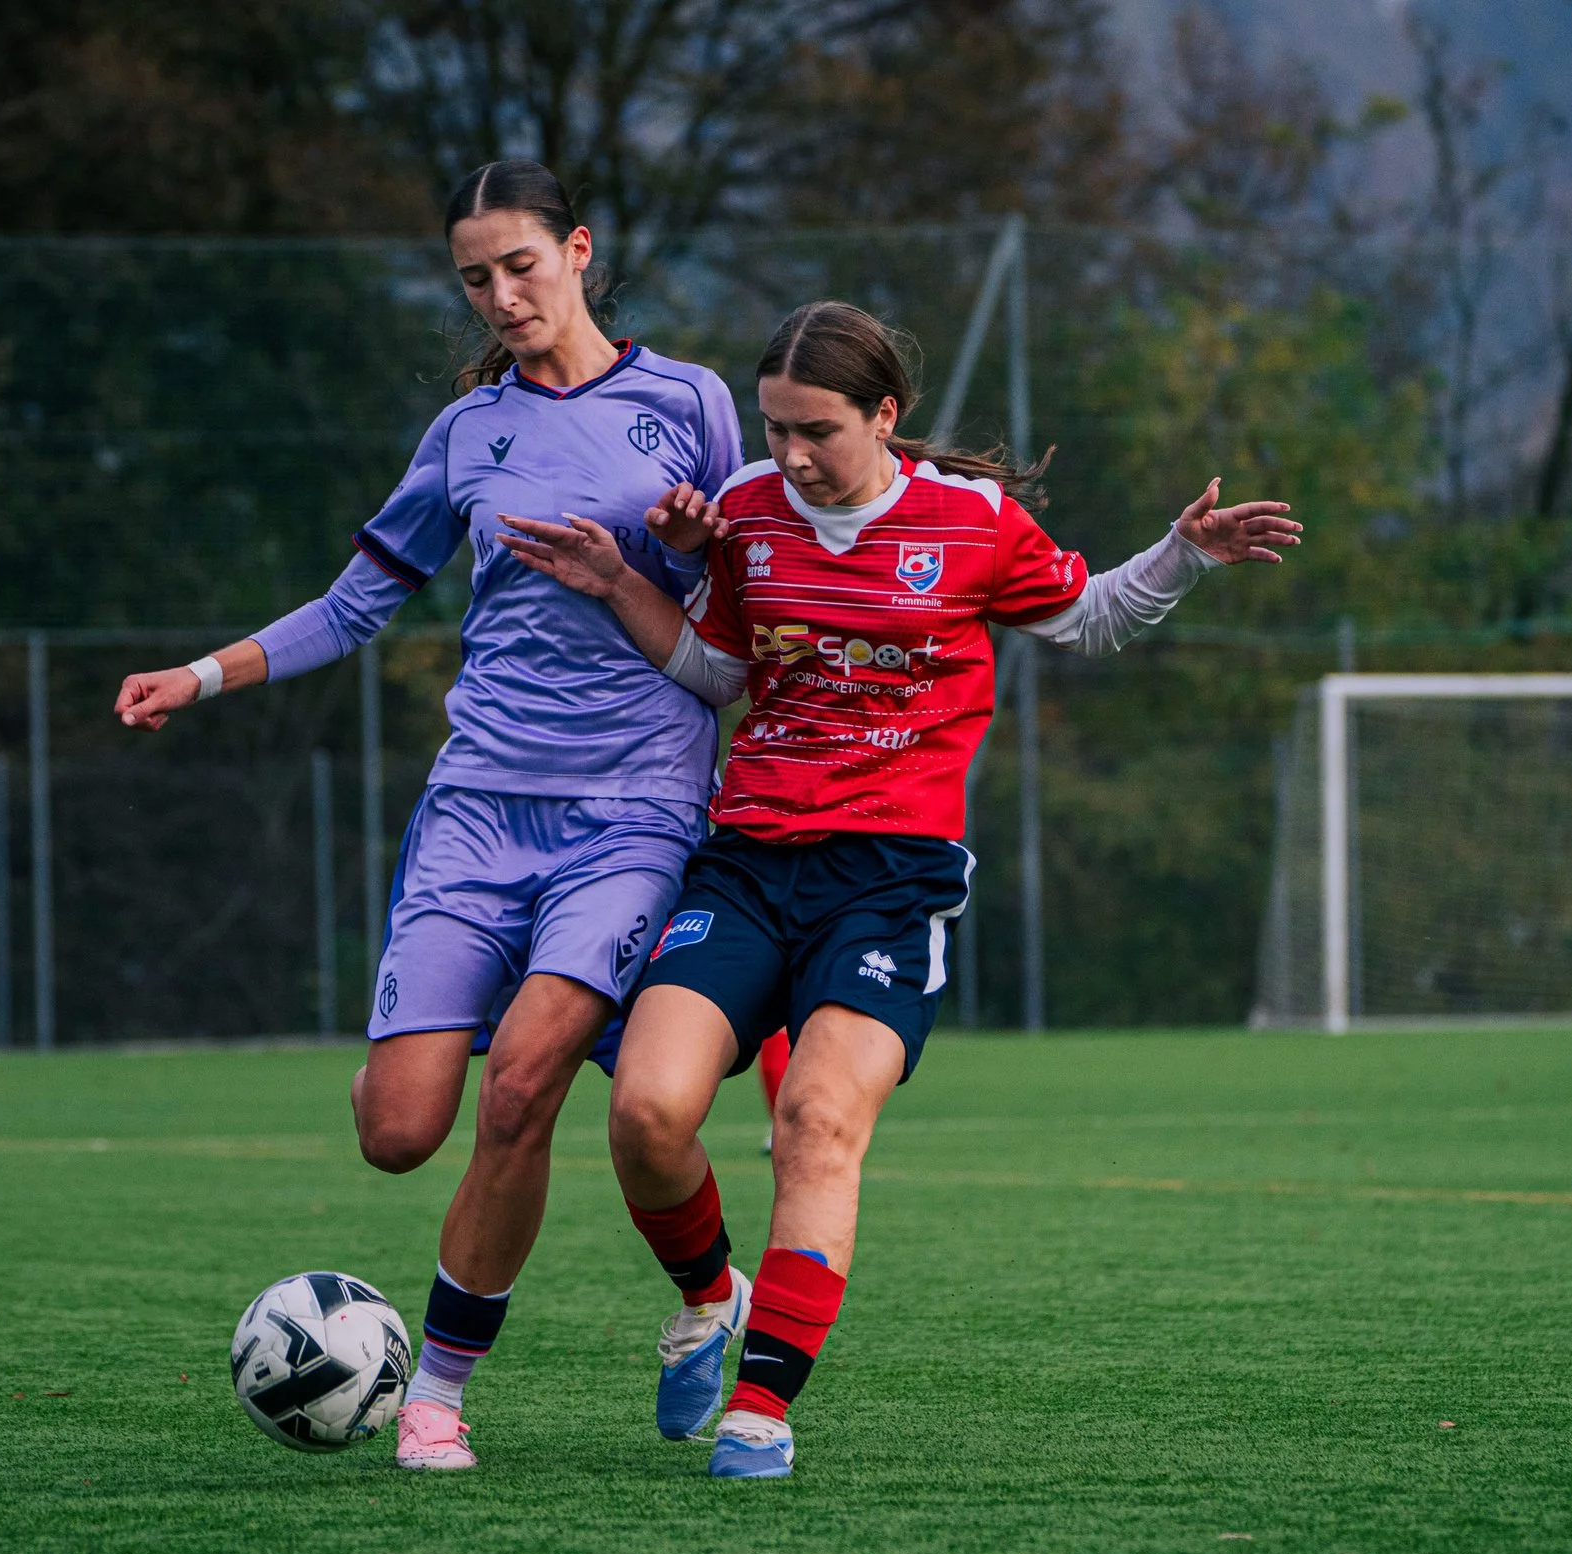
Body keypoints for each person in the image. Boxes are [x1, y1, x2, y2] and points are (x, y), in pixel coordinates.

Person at [496, 300, 1297, 1476]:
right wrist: (622, 581)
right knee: (645, 1111)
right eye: (772, 428)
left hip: (889, 880)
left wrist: (1182, 553)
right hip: (749, 860)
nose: (788, 456)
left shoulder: (970, 522)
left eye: (814, 429)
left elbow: (1085, 617)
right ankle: (709, 1294)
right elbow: (718, 672)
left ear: (885, 414)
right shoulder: (749, 520)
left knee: (817, 1122)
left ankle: (762, 1407)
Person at [113, 160, 742, 1470]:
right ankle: (415, 1048)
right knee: (401, 1130)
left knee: (522, 1088)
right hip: (476, 814)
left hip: (633, 817)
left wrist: (693, 548)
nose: (502, 295)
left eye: (522, 264)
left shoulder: (688, 403)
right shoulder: (468, 434)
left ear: (579, 251)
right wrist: (202, 671)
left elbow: (749, 595)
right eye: (475, 276)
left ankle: (441, 1390)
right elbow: (354, 605)